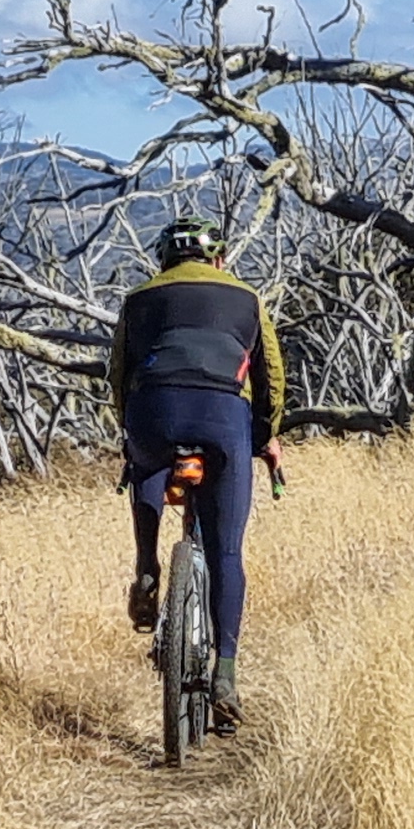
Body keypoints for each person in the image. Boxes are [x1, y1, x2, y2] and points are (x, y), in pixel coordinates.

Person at [108, 215, 285, 725]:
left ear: (163, 261)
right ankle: (225, 674)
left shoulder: (139, 299)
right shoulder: (247, 297)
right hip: (222, 415)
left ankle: (147, 566)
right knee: (227, 549)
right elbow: (271, 374)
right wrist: (265, 437)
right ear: (219, 259)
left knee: (145, 467)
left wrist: (131, 432)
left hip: (154, 412)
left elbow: (119, 374)